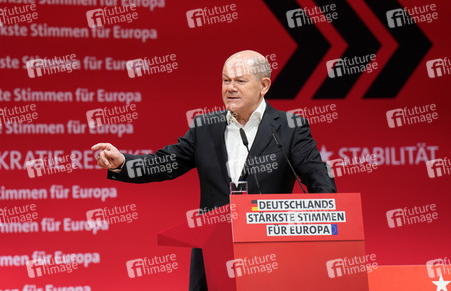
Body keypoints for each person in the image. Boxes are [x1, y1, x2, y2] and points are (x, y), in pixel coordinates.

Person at [92, 50, 336, 291]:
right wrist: (122, 162)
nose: (230, 87)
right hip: (213, 255)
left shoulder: (289, 128)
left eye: (240, 81)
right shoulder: (204, 127)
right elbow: (166, 163)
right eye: (225, 80)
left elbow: (318, 179)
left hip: (270, 254)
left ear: (263, 85)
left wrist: (328, 226)